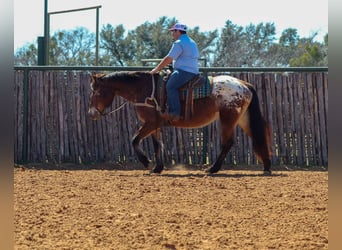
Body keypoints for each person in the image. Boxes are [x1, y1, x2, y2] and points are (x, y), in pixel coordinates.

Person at [150, 23, 199, 121]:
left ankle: (175, 113)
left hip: (184, 72)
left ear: (178, 31)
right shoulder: (192, 42)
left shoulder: (179, 42)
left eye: (173, 31)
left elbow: (169, 58)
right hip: (193, 71)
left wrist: (156, 69)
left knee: (170, 86)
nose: (172, 34)